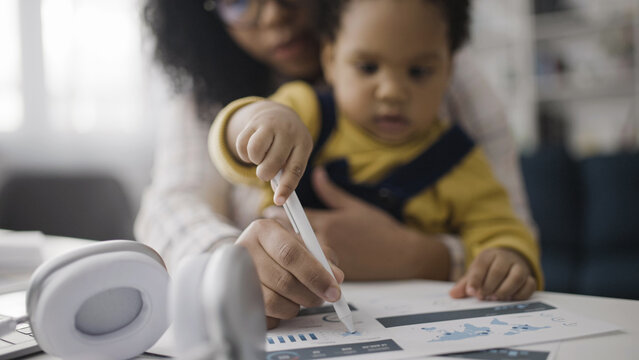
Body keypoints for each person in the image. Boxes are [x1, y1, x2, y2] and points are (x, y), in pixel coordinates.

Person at [136, 0, 538, 329]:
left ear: (444, 69)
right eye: (238, 1)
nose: (393, 91)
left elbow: (508, 227)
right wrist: (233, 265)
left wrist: (429, 256)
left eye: (417, 72)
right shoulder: (302, 106)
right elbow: (178, 198)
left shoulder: (453, 126)